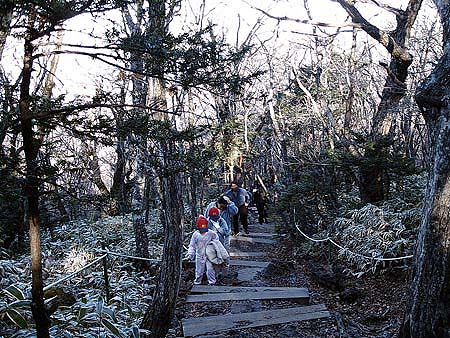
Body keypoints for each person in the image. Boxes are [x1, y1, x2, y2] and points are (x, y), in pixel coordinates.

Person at [186, 216, 219, 285]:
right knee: (199, 270)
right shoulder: (195, 235)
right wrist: (190, 254)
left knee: (210, 269)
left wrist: (214, 248)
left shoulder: (211, 233)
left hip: (209, 255)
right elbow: (192, 245)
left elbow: (216, 241)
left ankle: (212, 282)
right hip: (200, 255)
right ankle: (197, 282)